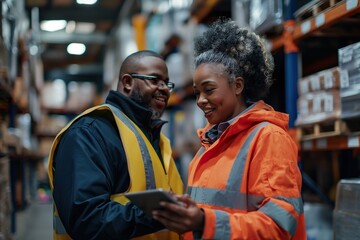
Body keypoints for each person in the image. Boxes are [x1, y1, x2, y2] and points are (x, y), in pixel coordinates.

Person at [152, 19, 306, 239]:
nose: (200, 101)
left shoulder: (268, 138)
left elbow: (278, 227)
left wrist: (205, 221)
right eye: (197, 93)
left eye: (209, 90)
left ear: (237, 86)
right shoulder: (210, 142)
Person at [47, 50, 184, 239]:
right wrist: (162, 214)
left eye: (167, 83)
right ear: (127, 83)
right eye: (154, 80)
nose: (165, 89)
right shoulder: (89, 133)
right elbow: (86, 220)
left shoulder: (159, 141)